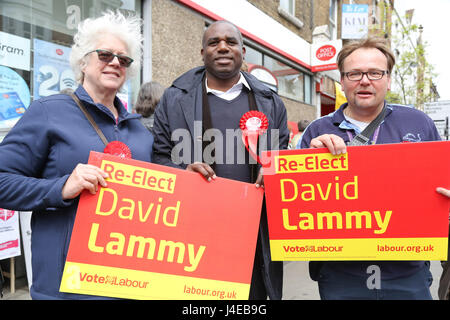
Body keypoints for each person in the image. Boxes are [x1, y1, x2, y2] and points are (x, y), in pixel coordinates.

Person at [0, 11, 153, 299]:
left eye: (124, 59)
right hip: (66, 288)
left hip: (130, 285)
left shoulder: (141, 133)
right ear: (83, 61)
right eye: (105, 54)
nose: (115, 63)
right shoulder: (48, 112)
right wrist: (61, 187)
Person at [152, 20, 289, 300]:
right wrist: (181, 172)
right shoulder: (173, 99)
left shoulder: (270, 102)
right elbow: (159, 158)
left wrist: (273, 169)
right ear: (202, 52)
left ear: (243, 50)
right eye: (214, 42)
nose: (223, 47)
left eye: (231, 41)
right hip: (192, 237)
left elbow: (282, 156)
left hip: (255, 239)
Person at [298, 37, 444, 300]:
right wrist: (309, 166)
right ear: (342, 81)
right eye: (354, 73)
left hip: (407, 270)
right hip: (339, 272)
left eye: (375, 73)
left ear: (388, 79)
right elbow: (294, 203)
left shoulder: (420, 123)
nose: (364, 80)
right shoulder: (317, 131)